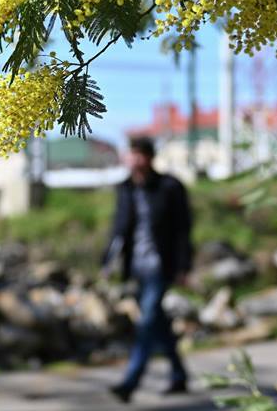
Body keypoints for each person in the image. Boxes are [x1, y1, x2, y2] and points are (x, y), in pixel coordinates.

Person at [102, 136, 193, 404]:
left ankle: (130, 382)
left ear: (150, 158)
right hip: (136, 267)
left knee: (147, 321)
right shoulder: (125, 189)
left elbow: (182, 231)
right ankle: (179, 374)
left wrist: (184, 266)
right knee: (159, 323)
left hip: (161, 266)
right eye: (131, 154)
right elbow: (118, 229)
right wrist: (107, 261)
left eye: (140, 154)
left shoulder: (170, 187)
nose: (135, 160)